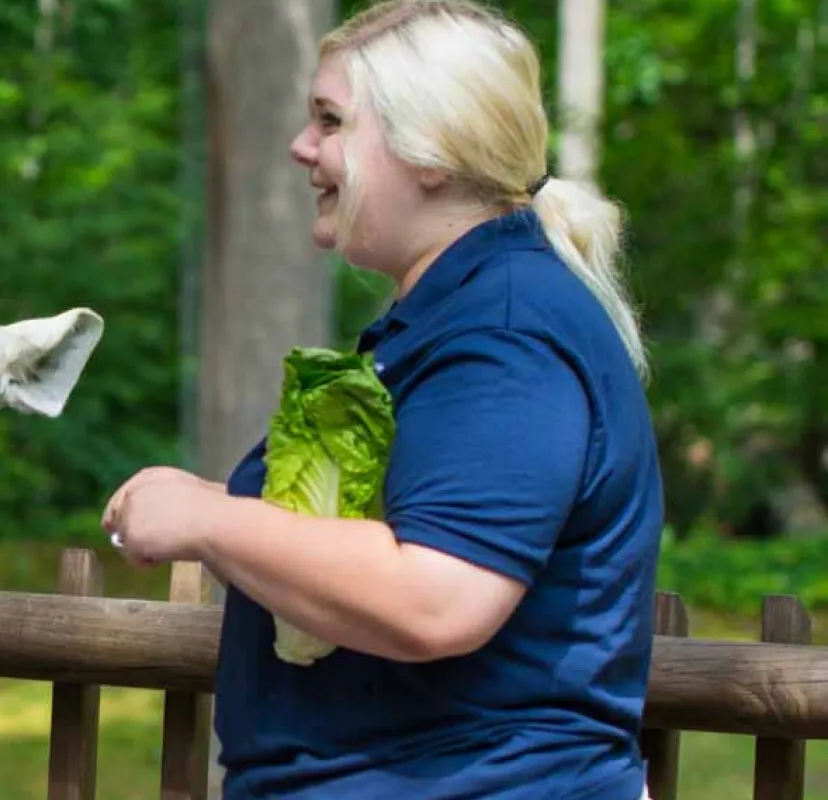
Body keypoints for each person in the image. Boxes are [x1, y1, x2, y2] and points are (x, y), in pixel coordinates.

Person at [101, 2, 664, 798]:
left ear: (429, 150)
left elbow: (436, 596)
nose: (303, 147)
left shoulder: (507, 333)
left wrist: (209, 521)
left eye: (331, 121)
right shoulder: (460, 311)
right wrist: (211, 499)